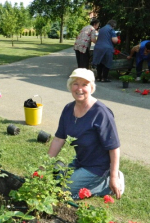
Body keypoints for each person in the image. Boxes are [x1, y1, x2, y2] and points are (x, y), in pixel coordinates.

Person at [48, 68, 124, 200]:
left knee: (65, 192)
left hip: (99, 167)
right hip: (81, 161)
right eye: (76, 84)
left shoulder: (101, 113)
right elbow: (59, 139)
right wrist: (44, 165)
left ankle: (107, 184)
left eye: (85, 85)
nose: (79, 89)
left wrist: (113, 177)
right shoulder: (68, 109)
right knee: (56, 181)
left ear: (92, 87)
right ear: (70, 86)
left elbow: (114, 147)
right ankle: (81, 177)